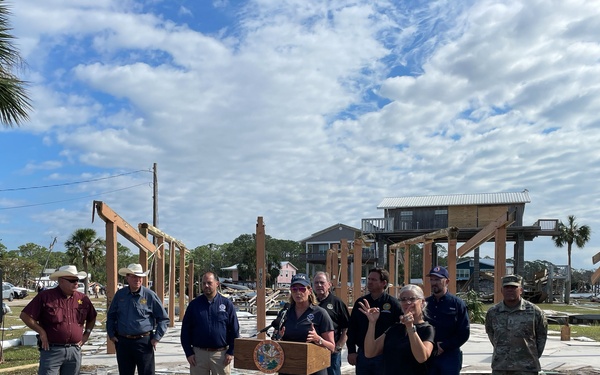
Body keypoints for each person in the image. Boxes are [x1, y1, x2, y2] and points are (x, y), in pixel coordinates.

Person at [20, 265, 97, 375]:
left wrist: (86, 335)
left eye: (77, 280)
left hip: (74, 350)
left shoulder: (82, 298)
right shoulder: (45, 296)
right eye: (72, 280)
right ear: (61, 281)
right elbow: (25, 316)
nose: (76, 283)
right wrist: (41, 332)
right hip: (52, 350)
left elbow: (92, 317)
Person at [106, 263, 170, 375]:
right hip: (123, 342)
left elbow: (163, 318)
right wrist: (112, 335)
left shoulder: (149, 295)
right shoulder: (120, 295)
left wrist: (156, 338)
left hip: (144, 342)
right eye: (134, 276)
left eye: (140, 277)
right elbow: (111, 316)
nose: (137, 279)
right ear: (127, 277)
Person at [358, 284, 435, 375]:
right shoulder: (395, 328)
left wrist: (410, 327)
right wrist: (372, 323)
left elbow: (421, 357)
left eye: (412, 299)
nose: (408, 302)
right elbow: (370, 352)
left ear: (422, 302)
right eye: (403, 299)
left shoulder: (427, 329)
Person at [485, 275, 548, 375]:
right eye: (506, 287)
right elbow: (491, 335)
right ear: (501, 290)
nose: (510, 290)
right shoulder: (493, 312)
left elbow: (541, 337)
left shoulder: (535, 312)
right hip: (501, 367)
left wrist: (529, 357)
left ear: (521, 290)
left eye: (514, 287)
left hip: (527, 368)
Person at [180, 271, 240, 375]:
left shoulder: (226, 304)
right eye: (204, 283)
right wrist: (188, 353)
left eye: (209, 283)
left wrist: (231, 351)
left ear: (217, 284)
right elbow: (185, 331)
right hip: (199, 355)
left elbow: (234, 329)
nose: (206, 286)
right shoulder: (194, 305)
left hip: (220, 355)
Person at [346, 268, 402, 375]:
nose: (370, 282)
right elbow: (352, 328)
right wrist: (351, 351)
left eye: (374, 280)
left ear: (383, 283)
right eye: (369, 279)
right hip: (364, 355)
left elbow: (399, 329)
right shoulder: (361, 303)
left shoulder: (393, 304)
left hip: (385, 355)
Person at [277, 273, 336, 375]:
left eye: (302, 289)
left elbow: (332, 347)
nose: (298, 292)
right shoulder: (285, 312)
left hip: (314, 369)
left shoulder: (320, 313)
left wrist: (318, 339)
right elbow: (276, 339)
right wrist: (278, 337)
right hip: (289, 368)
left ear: (310, 291)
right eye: (294, 289)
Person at [424, 266, 470, 375]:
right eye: (432, 279)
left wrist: (445, 345)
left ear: (447, 281)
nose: (434, 283)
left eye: (438, 279)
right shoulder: (425, 304)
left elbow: (464, 332)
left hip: (450, 355)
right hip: (428, 355)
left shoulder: (457, 304)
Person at [313, 272, 351, 375]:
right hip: (313, 350)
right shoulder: (311, 303)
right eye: (316, 283)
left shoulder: (337, 303)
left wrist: (338, 346)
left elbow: (346, 327)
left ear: (329, 285)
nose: (319, 285)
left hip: (331, 351)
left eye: (322, 282)